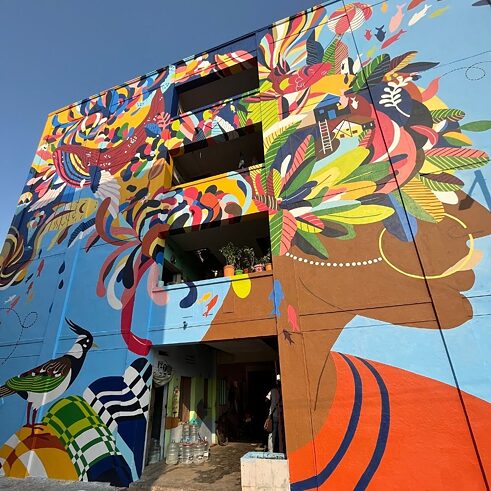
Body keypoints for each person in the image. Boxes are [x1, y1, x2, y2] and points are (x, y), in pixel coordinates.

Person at [266, 374, 281, 453]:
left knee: (272, 433)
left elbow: (267, 400)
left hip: (274, 415)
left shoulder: (273, 391)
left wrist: (269, 415)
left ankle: (271, 450)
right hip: (279, 415)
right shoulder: (280, 390)